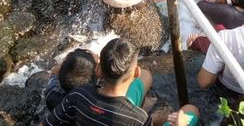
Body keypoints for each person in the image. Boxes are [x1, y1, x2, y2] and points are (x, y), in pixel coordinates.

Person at [46, 38, 200, 126]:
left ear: (98, 70)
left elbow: (47, 123)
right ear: (136, 72)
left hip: (110, 108)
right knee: (191, 110)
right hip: (125, 115)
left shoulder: (78, 95)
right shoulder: (138, 119)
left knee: (146, 78)